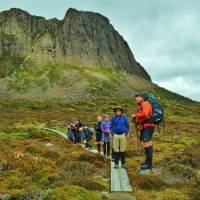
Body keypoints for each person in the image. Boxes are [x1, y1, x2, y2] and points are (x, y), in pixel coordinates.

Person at [132, 93, 154, 171]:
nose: (136, 98)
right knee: (147, 144)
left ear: (142, 98)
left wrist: (135, 115)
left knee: (146, 144)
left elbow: (145, 114)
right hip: (146, 126)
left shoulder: (145, 104)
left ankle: (149, 165)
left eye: (137, 97)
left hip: (147, 126)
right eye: (135, 97)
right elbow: (144, 115)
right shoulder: (142, 105)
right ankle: (147, 162)